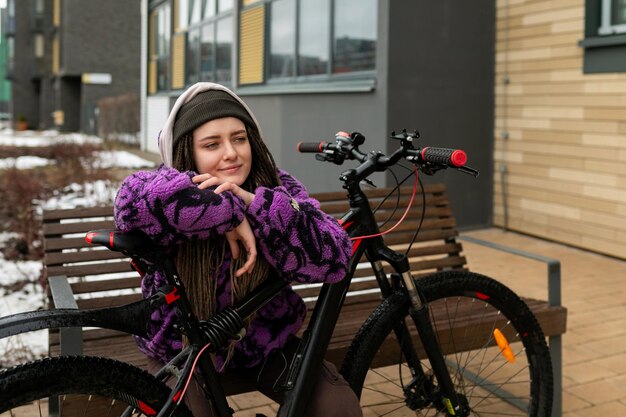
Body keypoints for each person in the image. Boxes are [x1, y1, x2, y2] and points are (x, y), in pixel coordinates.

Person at [114, 82, 362, 417]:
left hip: (263, 340)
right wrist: (227, 212)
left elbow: (333, 258)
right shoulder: (163, 187)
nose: (231, 153)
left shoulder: (277, 187)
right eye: (212, 144)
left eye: (239, 138)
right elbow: (129, 204)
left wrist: (254, 205)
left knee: (337, 408)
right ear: (188, 151)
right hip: (182, 346)